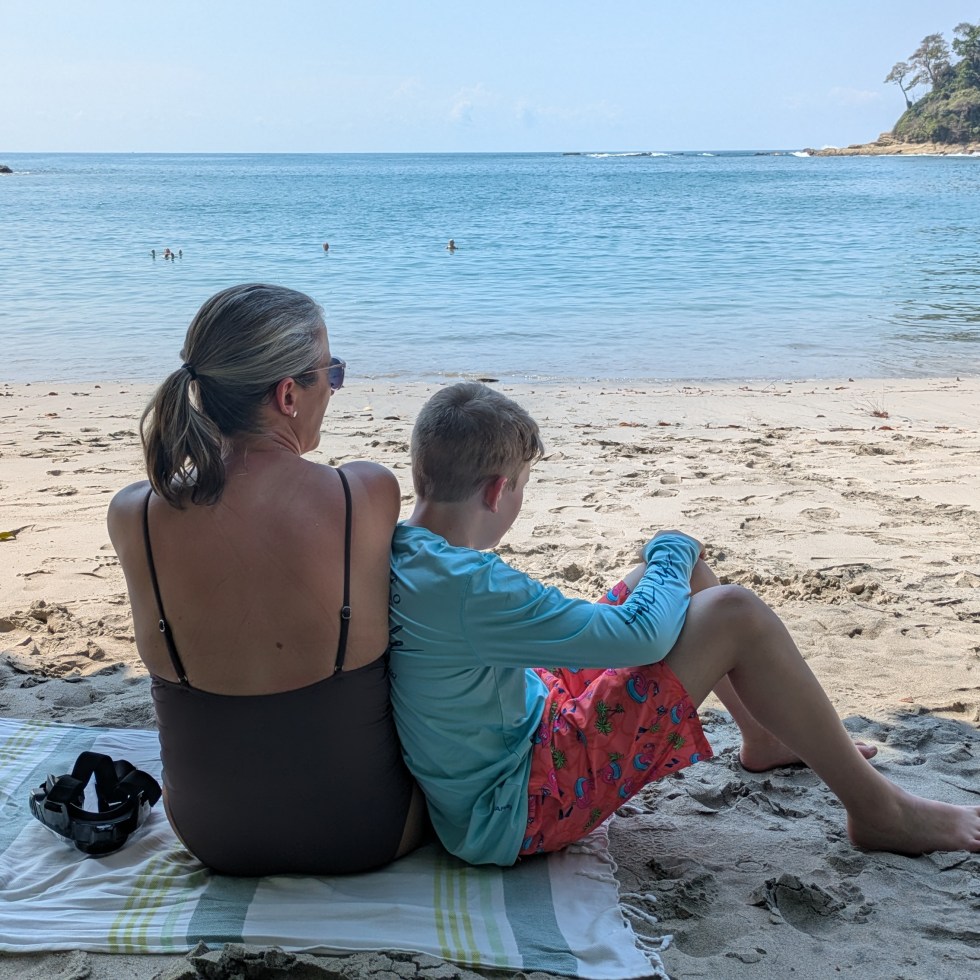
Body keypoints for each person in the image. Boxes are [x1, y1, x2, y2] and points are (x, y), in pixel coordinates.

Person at [388, 382, 980, 866]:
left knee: (664, 578)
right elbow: (641, 636)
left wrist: (669, 566)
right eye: (522, 488)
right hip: (523, 803)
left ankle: (765, 738)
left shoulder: (406, 551)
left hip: (519, 719)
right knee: (731, 609)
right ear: (498, 490)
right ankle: (881, 812)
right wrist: (673, 542)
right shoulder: (473, 587)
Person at [108, 283, 426, 876]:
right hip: (369, 831)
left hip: (212, 837)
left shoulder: (134, 515)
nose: (333, 389)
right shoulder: (363, 493)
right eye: (330, 373)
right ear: (287, 394)